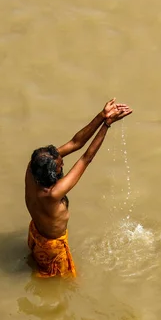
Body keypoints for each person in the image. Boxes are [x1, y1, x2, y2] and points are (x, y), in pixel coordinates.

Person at [25, 99, 133, 278]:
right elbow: (86, 159)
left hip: (36, 233)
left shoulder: (33, 166)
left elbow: (75, 143)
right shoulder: (53, 194)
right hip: (53, 248)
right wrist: (106, 125)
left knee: (35, 266)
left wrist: (102, 115)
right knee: (64, 283)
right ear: (52, 174)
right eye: (60, 166)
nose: (63, 163)